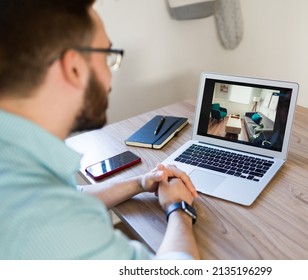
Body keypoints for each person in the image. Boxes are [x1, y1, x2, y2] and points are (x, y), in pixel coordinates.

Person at [0, 0, 199, 259]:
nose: (110, 75)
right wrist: (179, 209)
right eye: (107, 56)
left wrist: (140, 182)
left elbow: (75, 196)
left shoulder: (18, 164)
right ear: (74, 68)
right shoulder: (48, 222)